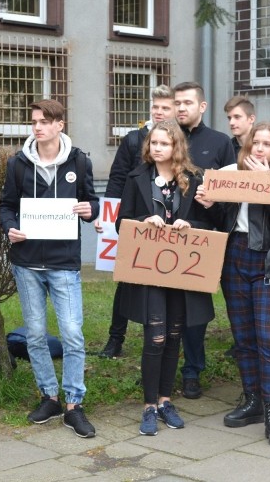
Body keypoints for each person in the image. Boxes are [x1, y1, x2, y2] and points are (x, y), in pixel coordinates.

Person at [0, 99, 100, 438]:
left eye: (44, 121)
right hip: (27, 263)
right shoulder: (18, 164)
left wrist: (89, 210)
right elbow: (6, 207)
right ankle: (49, 396)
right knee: (36, 334)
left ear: (59, 124)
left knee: (72, 332)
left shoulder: (79, 162)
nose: (37, 127)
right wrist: (9, 227)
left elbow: (93, 203)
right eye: (34, 122)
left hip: (63, 263)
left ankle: (74, 403)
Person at [196, 122, 270, 447]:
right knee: (244, 338)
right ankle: (252, 399)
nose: (260, 149)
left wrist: (266, 184)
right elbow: (222, 220)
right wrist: (209, 205)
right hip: (235, 257)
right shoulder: (232, 173)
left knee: (269, 340)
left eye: (267, 144)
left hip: (269, 261)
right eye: (256, 143)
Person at [115, 120, 210, 435]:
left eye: (164, 144)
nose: (157, 148)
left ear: (176, 147)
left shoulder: (193, 179)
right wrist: (145, 220)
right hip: (150, 270)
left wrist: (190, 224)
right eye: (153, 143)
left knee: (173, 335)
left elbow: (211, 221)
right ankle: (148, 406)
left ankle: (166, 400)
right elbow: (122, 224)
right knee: (155, 336)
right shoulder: (137, 178)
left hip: (182, 271)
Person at [98, 85, 176, 359]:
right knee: (126, 281)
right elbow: (118, 179)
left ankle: (162, 338)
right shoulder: (133, 140)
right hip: (136, 224)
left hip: (169, 231)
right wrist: (107, 218)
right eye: (156, 107)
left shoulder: (179, 142)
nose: (159, 111)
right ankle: (115, 338)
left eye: (165, 107)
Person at [173, 81, 236, 399]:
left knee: (195, 309)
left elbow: (231, 195)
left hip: (201, 237)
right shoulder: (164, 139)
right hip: (166, 237)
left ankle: (193, 371)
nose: (181, 108)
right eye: (177, 103)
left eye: (187, 102)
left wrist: (215, 202)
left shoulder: (220, 143)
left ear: (202, 106)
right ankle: (163, 368)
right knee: (166, 309)